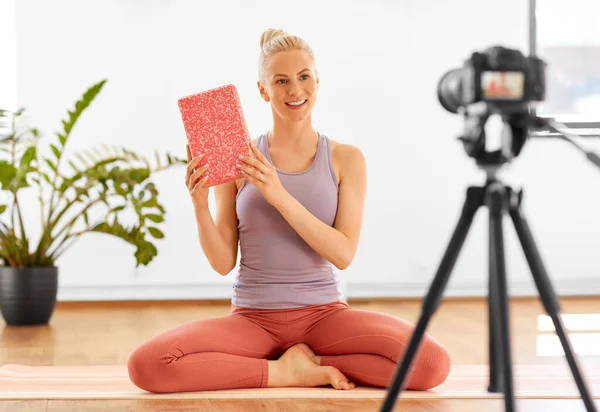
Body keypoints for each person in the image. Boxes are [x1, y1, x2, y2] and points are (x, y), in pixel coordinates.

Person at [127, 28, 451, 394]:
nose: (294, 90)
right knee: (148, 365)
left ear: (317, 81)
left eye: (303, 77)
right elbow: (222, 263)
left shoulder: (347, 159)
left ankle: (311, 364)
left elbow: (343, 254)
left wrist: (276, 193)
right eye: (281, 81)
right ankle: (284, 372)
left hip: (325, 316)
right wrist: (199, 205)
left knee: (430, 365)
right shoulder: (236, 158)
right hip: (253, 319)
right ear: (263, 90)